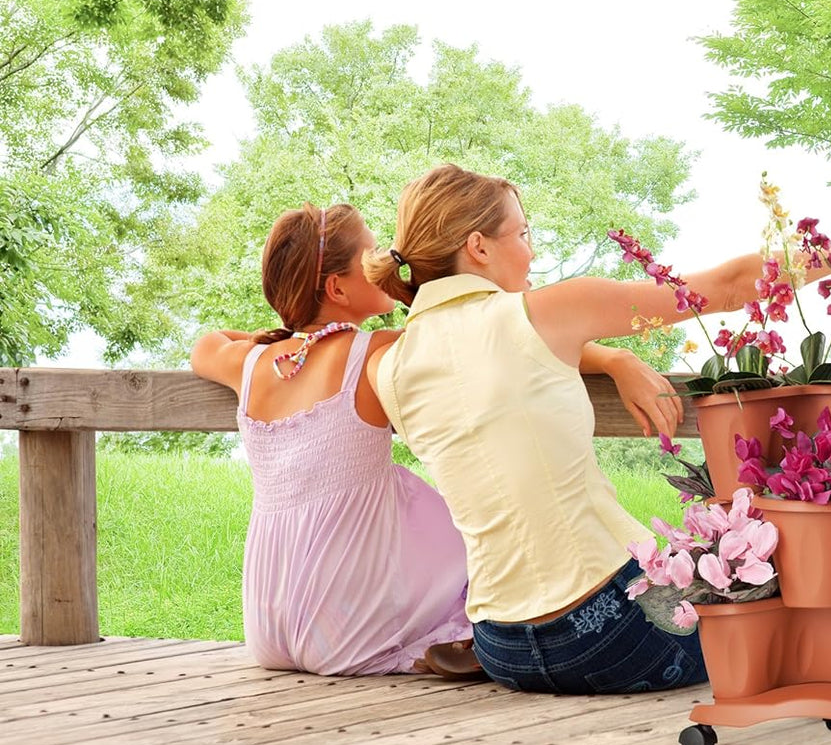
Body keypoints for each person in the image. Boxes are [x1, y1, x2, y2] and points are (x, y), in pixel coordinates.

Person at [361, 163, 831, 693]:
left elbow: (483, 365)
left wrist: (612, 358)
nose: (532, 252)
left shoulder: (388, 365)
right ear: (478, 247)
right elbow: (723, 287)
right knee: (801, 582)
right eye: (522, 234)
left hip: (500, 644)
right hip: (610, 633)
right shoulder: (542, 313)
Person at [191, 201, 681, 677]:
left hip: (268, 620)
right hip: (344, 629)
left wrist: (284, 338)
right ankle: (463, 631)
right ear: (337, 288)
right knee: (448, 506)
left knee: (405, 493)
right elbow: (509, 340)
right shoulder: (379, 353)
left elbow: (206, 344)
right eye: (370, 254)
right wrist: (615, 359)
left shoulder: (248, 365)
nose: (385, 260)